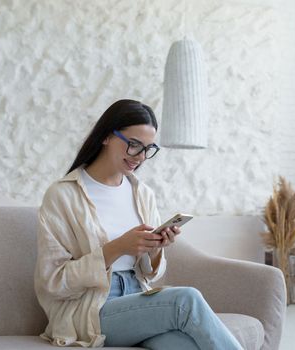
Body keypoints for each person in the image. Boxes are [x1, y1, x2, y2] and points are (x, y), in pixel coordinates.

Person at [34, 99, 242, 349]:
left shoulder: (142, 193)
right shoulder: (63, 195)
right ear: (106, 137)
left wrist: (155, 248)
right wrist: (119, 247)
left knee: (183, 344)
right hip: (91, 310)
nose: (141, 157)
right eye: (134, 145)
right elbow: (53, 282)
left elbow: (152, 272)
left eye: (148, 148)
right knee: (185, 299)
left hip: (137, 299)